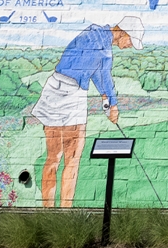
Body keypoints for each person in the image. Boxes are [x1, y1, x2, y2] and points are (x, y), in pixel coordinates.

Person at [34, 16, 144, 207]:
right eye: (131, 41)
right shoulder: (105, 51)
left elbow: (90, 67)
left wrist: (104, 98)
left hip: (53, 88)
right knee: (72, 159)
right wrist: (113, 105)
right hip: (72, 94)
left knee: (53, 158)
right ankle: (65, 211)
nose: (129, 46)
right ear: (123, 32)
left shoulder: (94, 34)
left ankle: (48, 211)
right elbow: (105, 76)